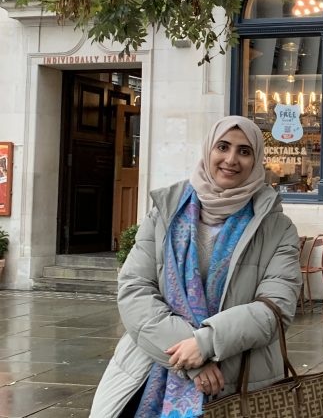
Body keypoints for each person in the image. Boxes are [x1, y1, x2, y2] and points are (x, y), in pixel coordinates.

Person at [90, 116, 303, 416]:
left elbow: (275, 309)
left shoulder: (277, 228)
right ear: (208, 151)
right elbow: (134, 290)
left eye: (244, 151)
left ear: (256, 160)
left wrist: (206, 344)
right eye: (223, 147)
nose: (231, 159)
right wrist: (191, 355)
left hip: (238, 381)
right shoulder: (164, 213)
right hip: (150, 368)